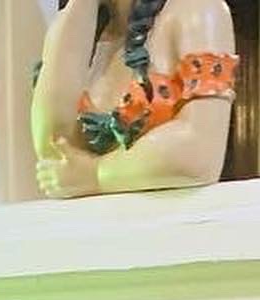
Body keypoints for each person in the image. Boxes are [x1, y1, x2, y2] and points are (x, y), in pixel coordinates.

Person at [33, 0, 237, 199]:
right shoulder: (73, 26)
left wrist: (96, 174)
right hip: (92, 220)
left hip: (169, 215)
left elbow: (200, 152)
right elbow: (54, 154)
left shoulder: (198, 10)